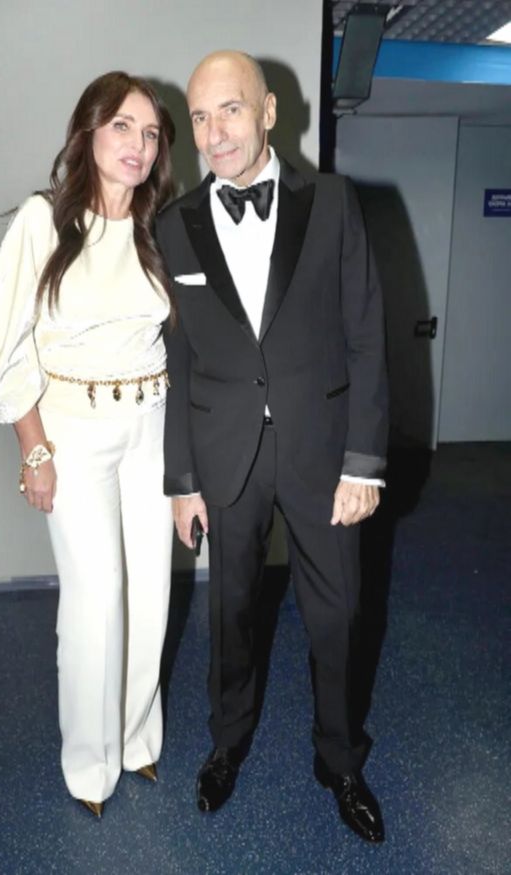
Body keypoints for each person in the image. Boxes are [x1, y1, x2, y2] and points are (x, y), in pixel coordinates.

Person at [156, 51, 388, 843]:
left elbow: (366, 335)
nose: (213, 132)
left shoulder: (333, 202)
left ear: (268, 113)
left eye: (229, 109)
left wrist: (363, 462)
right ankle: (227, 744)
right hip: (224, 452)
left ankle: (340, 758)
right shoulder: (174, 224)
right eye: (198, 117)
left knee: (339, 611)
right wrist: (181, 478)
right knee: (230, 611)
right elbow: (179, 359)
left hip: (323, 449)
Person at [0, 71, 176, 818]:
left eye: (150, 133)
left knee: (150, 591)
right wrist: (35, 449)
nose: (138, 145)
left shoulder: (155, 228)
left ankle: (136, 735)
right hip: (74, 432)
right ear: (88, 131)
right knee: (95, 600)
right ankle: (90, 763)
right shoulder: (43, 221)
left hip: (151, 426)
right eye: (122, 126)